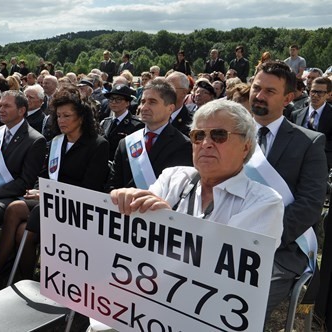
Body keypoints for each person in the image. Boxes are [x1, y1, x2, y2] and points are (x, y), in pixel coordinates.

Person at [98, 100, 284, 332]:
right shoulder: (174, 177)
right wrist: (124, 201)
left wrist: (167, 225)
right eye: (198, 136)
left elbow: (223, 271)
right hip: (147, 301)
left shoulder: (265, 202)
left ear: (246, 146)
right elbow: (136, 239)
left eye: (218, 135)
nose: (205, 143)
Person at [0, 85, 109, 297]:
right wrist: (38, 190)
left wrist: (47, 193)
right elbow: (43, 176)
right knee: (22, 231)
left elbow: (89, 189)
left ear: (81, 117)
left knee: (16, 210)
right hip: (49, 202)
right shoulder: (56, 142)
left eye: (67, 116)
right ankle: (22, 283)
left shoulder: (98, 145)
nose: (61, 120)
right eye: (58, 115)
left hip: (77, 208)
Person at [248, 61, 328, 322]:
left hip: (280, 249)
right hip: (226, 238)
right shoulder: (228, 133)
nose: (259, 96)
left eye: (270, 91)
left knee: (244, 305)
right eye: (256, 88)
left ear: (288, 98)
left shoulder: (309, 143)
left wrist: (261, 239)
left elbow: (309, 206)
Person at [0, 90, 46, 224]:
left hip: (12, 197)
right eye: (0, 105)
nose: (1, 110)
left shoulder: (35, 140)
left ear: (21, 110)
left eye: (7, 106)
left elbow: (25, 182)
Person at [106, 79, 192, 191]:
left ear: (170, 108)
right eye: (142, 102)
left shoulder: (183, 145)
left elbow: (180, 191)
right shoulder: (126, 143)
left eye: (152, 102)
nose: (144, 107)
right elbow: (112, 185)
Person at [290, 77, 332, 168]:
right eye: (313, 91)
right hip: (295, 164)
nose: (315, 95)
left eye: (320, 92)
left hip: (321, 166)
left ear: (328, 95)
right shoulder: (296, 114)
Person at [100, 84, 144, 161]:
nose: (114, 102)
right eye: (111, 99)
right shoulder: (105, 122)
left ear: (127, 103)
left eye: (118, 99)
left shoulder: (137, 125)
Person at [165, 71, 193, 136]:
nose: (165, 92)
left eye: (170, 88)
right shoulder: (155, 114)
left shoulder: (191, 122)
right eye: (164, 88)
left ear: (184, 92)